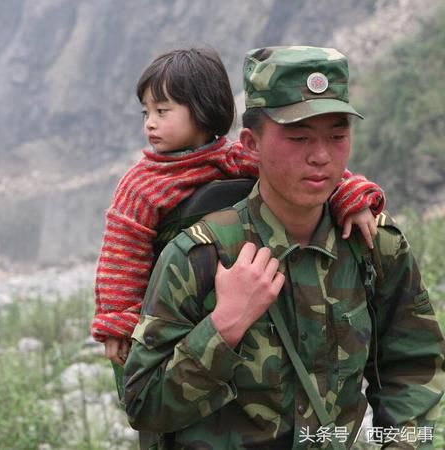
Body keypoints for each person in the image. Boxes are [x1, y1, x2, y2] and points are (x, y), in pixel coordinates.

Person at [123, 46, 445, 449]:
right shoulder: (202, 254)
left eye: (338, 136)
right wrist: (224, 326)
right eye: (298, 137)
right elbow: (143, 404)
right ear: (251, 145)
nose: (321, 156)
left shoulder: (373, 245)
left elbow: (414, 366)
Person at [92, 47, 385, 370]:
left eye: (162, 111)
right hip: (166, 318)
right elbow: (121, 255)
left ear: (203, 110)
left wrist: (354, 198)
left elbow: (313, 176)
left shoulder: (232, 159)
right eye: (146, 113)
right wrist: (118, 322)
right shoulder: (141, 185)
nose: (150, 124)